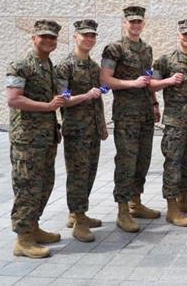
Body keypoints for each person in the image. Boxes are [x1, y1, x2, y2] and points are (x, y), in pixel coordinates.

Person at [6, 19, 65, 258]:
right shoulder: (20, 65)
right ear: (34, 38)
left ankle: (33, 226)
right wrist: (48, 106)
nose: (48, 40)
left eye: (52, 37)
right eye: (44, 36)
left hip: (46, 137)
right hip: (27, 140)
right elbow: (14, 99)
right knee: (27, 187)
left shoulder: (49, 66)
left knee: (44, 184)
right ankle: (23, 239)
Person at [101, 6, 161, 233]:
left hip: (145, 113)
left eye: (139, 22)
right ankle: (122, 209)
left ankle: (136, 202)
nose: (135, 25)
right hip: (126, 115)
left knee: (143, 159)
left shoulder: (146, 49)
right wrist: (132, 84)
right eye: (132, 21)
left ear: (143, 24)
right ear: (125, 23)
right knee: (126, 161)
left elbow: (147, 79)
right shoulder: (114, 49)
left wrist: (154, 103)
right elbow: (106, 79)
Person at [149, 19, 187, 227]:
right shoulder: (165, 61)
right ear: (179, 36)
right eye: (184, 34)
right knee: (173, 163)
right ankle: (172, 207)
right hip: (175, 122)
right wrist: (168, 81)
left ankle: (184, 199)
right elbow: (151, 85)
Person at [55, 19, 107, 243]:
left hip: (92, 129)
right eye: (85, 35)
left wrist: (102, 125)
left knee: (89, 172)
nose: (89, 39)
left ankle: (79, 213)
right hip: (76, 130)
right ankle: (78, 222)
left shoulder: (93, 67)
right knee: (78, 175)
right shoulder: (65, 66)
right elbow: (62, 99)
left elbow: (98, 99)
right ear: (75, 36)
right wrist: (86, 95)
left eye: (92, 35)